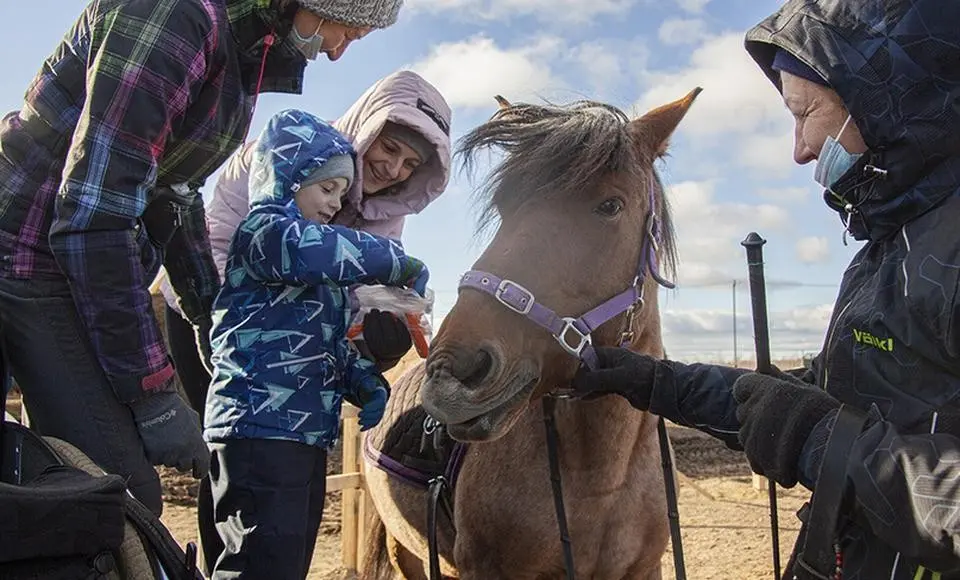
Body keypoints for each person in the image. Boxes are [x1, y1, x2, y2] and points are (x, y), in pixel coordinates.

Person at [571, 1, 960, 578]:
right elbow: (808, 407)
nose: (799, 149)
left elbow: (827, 433)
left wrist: (823, 443)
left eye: (805, 113)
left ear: (882, 104)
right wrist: (653, 381)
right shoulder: (889, 249)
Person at [0, 0, 402, 516]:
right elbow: (94, 215)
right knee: (113, 500)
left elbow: (174, 195)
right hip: (26, 254)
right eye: (346, 31)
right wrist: (152, 392)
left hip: (64, 268)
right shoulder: (174, 15)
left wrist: (212, 318)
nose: (337, 52)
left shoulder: (242, 54)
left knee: (109, 498)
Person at [155, 68, 450, 570]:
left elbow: (341, 300)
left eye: (411, 163)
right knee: (243, 504)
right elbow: (278, 248)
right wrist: (240, 319)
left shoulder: (379, 211)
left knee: (289, 533)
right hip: (224, 327)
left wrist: (370, 349)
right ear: (369, 126)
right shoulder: (276, 188)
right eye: (390, 148)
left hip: (300, 409)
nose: (396, 168)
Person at [202, 109, 429, 579]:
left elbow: (324, 347)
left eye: (343, 193)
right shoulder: (265, 235)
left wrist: (363, 380)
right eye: (326, 188)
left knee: (286, 562)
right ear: (287, 177)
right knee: (257, 566)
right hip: (256, 433)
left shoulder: (318, 279)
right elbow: (316, 248)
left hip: (301, 439)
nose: (334, 203)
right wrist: (392, 260)